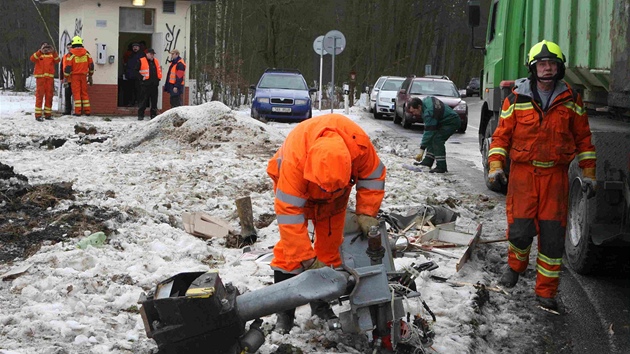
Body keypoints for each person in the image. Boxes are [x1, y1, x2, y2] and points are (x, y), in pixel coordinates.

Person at [489, 40, 596, 311]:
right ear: (533, 67)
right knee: (520, 231)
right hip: (523, 176)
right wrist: (495, 167)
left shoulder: (572, 100)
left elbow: (583, 138)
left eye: (552, 64)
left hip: (556, 178)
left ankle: (546, 293)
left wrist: (589, 173)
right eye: (542, 64)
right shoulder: (515, 98)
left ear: (559, 68)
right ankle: (515, 267)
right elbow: (501, 136)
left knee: (551, 238)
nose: (547, 69)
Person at [266, 113, 386, 333]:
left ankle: (320, 305)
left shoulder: (360, 148)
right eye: (324, 188)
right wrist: (305, 259)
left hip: (337, 200)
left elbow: (373, 177)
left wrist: (366, 212)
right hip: (299, 190)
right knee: (288, 253)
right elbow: (289, 215)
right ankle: (285, 312)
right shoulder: (295, 164)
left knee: (329, 250)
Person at [410, 97, 461, 173]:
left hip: (451, 122)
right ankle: (428, 161)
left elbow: (428, 132)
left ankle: (441, 166)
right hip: (443, 121)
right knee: (432, 137)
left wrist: (421, 150)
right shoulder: (425, 102)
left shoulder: (429, 112)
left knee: (437, 140)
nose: (413, 114)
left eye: (414, 111)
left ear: (419, 107)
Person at [64, 36, 94, 116]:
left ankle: (78, 111)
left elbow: (68, 67)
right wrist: (90, 75)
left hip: (75, 76)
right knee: (84, 93)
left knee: (76, 93)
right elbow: (91, 65)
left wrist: (66, 77)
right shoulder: (87, 53)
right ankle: (87, 111)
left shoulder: (71, 54)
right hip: (84, 76)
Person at [30, 42, 60, 121]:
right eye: (45, 47)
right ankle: (38, 115)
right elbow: (32, 58)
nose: (46, 49)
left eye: (48, 47)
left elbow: (57, 60)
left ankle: (48, 114)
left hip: (49, 79)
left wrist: (53, 51)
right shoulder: (39, 54)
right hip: (40, 79)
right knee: (39, 96)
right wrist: (40, 51)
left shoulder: (52, 55)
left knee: (49, 96)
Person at [136, 49, 162, 120]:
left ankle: (153, 115)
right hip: (145, 84)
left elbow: (158, 71)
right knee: (143, 100)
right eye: (150, 54)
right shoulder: (141, 60)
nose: (152, 55)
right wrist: (141, 78)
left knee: (154, 101)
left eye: (153, 54)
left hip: (154, 84)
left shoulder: (156, 61)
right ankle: (140, 115)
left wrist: (158, 80)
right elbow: (135, 71)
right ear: (147, 54)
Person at [61, 42, 73, 115]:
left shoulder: (75, 56)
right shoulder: (65, 56)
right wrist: (62, 77)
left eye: (70, 47)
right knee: (67, 95)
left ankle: (78, 110)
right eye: (68, 48)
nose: (69, 49)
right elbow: (62, 67)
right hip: (67, 79)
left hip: (74, 79)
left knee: (76, 95)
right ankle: (67, 110)